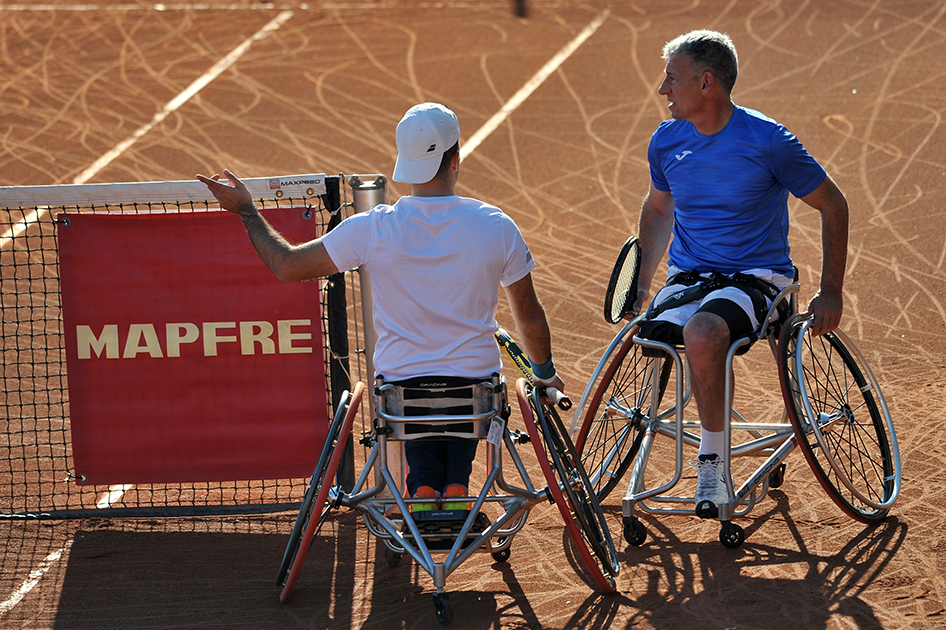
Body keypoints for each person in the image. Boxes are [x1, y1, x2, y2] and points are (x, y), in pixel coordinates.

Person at [198, 102, 564, 512]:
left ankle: (424, 490)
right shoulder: (497, 225)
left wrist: (247, 211)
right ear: (456, 160)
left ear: (404, 165)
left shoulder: (372, 227)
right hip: (475, 392)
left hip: (400, 394)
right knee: (463, 396)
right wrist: (544, 374)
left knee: (416, 402)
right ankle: (457, 489)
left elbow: (285, 265)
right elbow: (529, 316)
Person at [633, 31, 849, 519]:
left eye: (672, 78)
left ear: (706, 83)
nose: (663, 89)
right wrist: (643, 284)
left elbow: (833, 204)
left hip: (757, 277)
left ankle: (712, 462)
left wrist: (830, 289)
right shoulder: (666, 141)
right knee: (644, 334)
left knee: (704, 332)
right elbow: (658, 210)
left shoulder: (769, 141)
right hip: (690, 276)